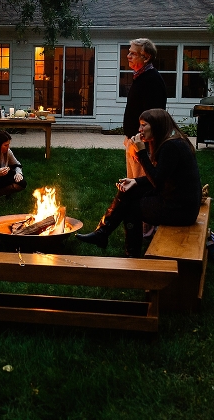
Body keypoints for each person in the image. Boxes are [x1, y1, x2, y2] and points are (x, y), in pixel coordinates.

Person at [76, 109, 202, 257]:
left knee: (132, 209)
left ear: (157, 126)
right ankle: (102, 232)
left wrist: (142, 153)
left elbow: (157, 181)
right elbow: (162, 176)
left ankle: (131, 255)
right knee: (130, 191)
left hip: (181, 210)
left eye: (143, 125)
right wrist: (135, 181)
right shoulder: (172, 141)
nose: (139, 130)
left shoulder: (171, 146)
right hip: (177, 200)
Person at [122, 38, 167, 179]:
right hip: (133, 141)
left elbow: (152, 120)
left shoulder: (152, 81)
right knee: (130, 184)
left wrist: (140, 146)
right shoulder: (140, 78)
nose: (128, 56)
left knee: (139, 186)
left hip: (142, 144)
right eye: (129, 53)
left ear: (146, 57)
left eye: (133, 54)